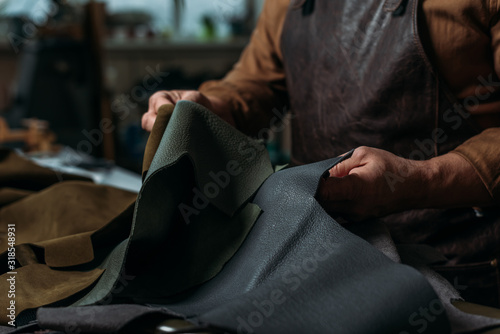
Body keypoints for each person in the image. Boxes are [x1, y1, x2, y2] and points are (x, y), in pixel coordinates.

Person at [143, 0, 500, 305]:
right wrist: (211, 107)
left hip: (461, 270)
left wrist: (416, 182)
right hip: (317, 260)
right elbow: (256, 84)